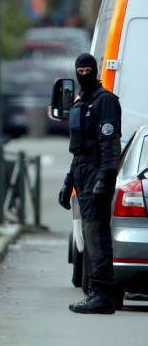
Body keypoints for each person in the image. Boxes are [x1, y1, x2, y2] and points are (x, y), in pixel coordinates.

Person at [58, 52, 121, 314]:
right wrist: (68, 182)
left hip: (96, 173)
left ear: (94, 71)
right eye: (79, 71)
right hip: (83, 173)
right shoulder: (80, 103)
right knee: (88, 233)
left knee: (96, 235)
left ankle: (102, 293)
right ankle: (100, 291)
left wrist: (104, 180)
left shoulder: (105, 101)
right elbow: (78, 151)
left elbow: (110, 146)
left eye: (87, 71)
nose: (83, 75)